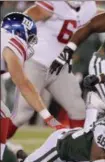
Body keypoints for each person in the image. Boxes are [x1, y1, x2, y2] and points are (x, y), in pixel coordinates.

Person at [6, 1, 97, 139]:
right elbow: (23, 20)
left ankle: (77, 153)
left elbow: (97, 18)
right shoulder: (53, 3)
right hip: (36, 62)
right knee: (22, 114)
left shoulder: (89, 6)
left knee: (78, 109)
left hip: (59, 66)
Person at [0, 12, 64, 162]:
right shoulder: (13, 42)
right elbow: (25, 85)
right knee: (3, 114)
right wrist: (49, 118)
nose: (29, 43)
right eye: (29, 37)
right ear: (19, 32)